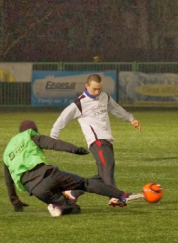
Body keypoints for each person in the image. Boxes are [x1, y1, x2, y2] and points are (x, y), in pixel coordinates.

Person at [3, 119, 144, 217]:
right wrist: (76, 150)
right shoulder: (31, 136)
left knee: (74, 209)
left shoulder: (7, 153)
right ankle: (122, 196)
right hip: (50, 175)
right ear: (34, 131)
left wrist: (16, 203)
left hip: (37, 190)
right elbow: (54, 144)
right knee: (85, 183)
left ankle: (58, 207)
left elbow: (9, 182)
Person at [50, 74, 142, 206]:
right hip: (96, 141)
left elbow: (115, 108)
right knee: (108, 166)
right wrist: (53, 138)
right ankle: (114, 197)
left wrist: (130, 119)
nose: (97, 92)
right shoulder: (79, 103)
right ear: (86, 86)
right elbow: (62, 118)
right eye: (94, 89)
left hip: (107, 139)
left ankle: (73, 193)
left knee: (102, 174)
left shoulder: (104, 97)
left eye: (99, 89)